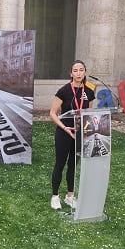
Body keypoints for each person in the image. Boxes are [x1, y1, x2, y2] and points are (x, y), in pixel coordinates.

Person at [49, 59, 95, 210]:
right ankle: (55, 196)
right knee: (60, 164)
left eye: (81, 70)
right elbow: (53, 113)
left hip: (79, 133)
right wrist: (64, 127)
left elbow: (89, 113)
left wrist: (87, 130)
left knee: (73, 166)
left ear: (85, 72)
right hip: (64, 132)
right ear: (71, 73)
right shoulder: (64, 90)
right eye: (75, 70)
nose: (78, 73)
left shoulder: (89, 90)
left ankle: (70, 196)